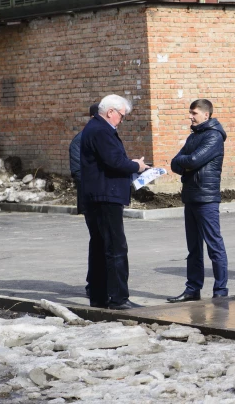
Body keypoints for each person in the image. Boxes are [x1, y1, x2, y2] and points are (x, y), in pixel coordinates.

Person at [80, 94, 149, 310]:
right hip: (105, 196)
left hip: (97, 195)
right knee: (116, 247)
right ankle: (119, 298)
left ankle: (100, 297)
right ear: (111, 112)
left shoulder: (94, 127)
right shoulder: (101, 130)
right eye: (121, 116)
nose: (121, 120)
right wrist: (136, 166)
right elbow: (114, 161)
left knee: (100, 246)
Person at [167, 99, 229, 302]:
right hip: (191, 196)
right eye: (190, 112)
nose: (190, 116)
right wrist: (185, 163)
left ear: (206, 115)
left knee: (214, 245)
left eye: (194, 113)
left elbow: (193, 160)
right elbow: (175, 163)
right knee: (193, 248)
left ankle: (220, 291)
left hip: (206, 197)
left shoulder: (214, 136)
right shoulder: (194, 136)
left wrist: (185, 162)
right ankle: (192, 289)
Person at [69, 102, 98, 298]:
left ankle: (100, 284)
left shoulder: (102, 137)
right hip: (92, 200)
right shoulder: (80, 141)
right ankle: (93, 285)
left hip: (105, 199)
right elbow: (78, 172)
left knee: (104, 242)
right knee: (98, 241)